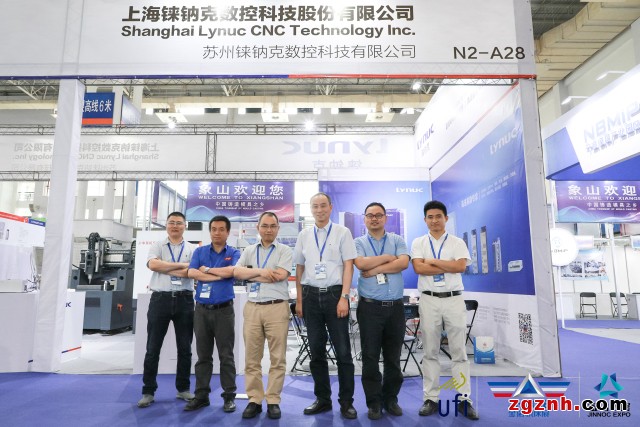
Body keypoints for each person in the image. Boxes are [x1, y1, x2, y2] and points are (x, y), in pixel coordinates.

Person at [410, 200, 479, 420]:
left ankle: (464, 399)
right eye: (430, 217)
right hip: (429, 300)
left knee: (459, 352)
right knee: (430, 351)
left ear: (446, 218)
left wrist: (432, 261)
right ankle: (431, 398)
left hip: (453, 299)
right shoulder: (419, 242)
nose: (434, 220)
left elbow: (460, 266)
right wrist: (445, 264)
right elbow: (418, 268)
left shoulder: (457, 242)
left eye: (438, 216)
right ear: (425, 220)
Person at [293, 192, 358, 419]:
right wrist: (299, 300)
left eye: (323, 206)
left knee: (343, 352)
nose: (319, 210)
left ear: (330, 207)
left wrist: (344, 297)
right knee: (316, 352)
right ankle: (322, 399)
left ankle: (346, 402)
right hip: (310, 297)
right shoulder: (304, 235)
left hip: (334, 296)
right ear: (311, 209)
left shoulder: (342, 232)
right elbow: (299, 268)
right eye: (315, 206)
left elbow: (348, 265)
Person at [233, 212, 293, 420]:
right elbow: (237, 273)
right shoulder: (249, 250)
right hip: (253, 308)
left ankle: (273, 400)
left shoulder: (285, 250)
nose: (268, 230)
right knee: (252, 358)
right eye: (265, 226)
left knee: (278, 358)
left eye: (272, 226)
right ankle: (255, 399)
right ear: (258, 227)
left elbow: (281, 276)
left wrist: (252, 273)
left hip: (277, 307)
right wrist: (265, 272)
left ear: (278, 228)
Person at [353, 202, 410, 420]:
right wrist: (388, 258)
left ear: (385, 218)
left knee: (393, 357)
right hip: (369, 307)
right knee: (370, 357)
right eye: (370, 215)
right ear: (365, 219)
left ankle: (390, 399)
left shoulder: (397, 240)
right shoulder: (358, 242)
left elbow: (403, 263)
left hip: (395, 308)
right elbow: (360, 263)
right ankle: (374, 402)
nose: (374, 218)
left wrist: (375, 268)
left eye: (378, 215)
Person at [138, 211, 196, 408]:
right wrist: (181, 265)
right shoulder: (157, 245)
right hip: (160, 299)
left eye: (179, 223)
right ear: (166, 225)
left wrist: (167, 267)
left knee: (185, 348)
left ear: (185, 226)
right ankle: (148, 391)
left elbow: (192, 271)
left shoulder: (192, 248)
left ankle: (183, 388)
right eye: (171, 222)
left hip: (185, 300)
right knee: (152, 348)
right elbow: (153, 265)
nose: (175, 226)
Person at [184, 215, 240, 413]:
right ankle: (201, 396)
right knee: (203, 356)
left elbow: (232, 272)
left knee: (226, 355)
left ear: (228, 232)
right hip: (201, 311)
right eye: (214, 229)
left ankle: (229, 397)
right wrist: (219, 275)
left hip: (224, 311)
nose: (217, 233)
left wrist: (207, 271)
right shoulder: (200, 251)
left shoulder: (234, 252)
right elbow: (191, 273)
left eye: (221, 229)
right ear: (210, 231)